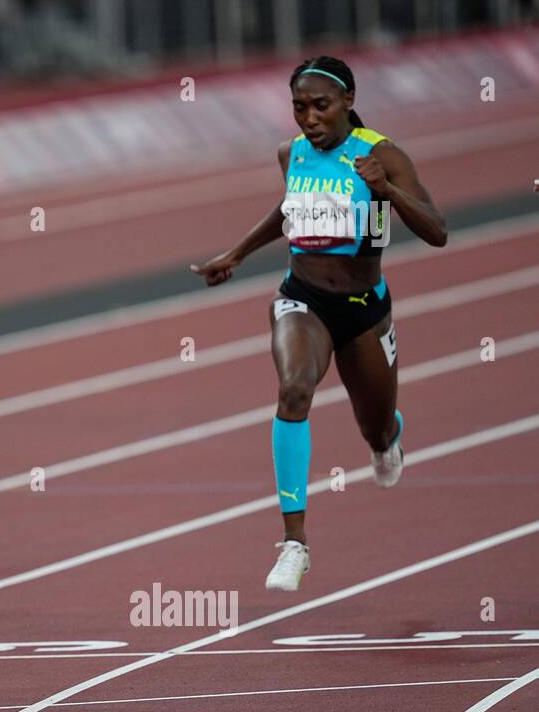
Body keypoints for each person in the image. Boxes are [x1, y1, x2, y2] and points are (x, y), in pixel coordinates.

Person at [190, 56, 446, 592]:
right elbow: (288, 209)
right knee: (293, 391)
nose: (309, 118)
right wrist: (235, 253)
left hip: (364, 310)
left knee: (374, 425)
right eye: (299, 108)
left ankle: (386, 439)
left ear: (348, 102)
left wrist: (388, 192)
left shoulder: (382, 155)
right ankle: (294, 543)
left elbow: (438, 230)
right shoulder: (293, 155)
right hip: (301, 298)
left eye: (321, 106)